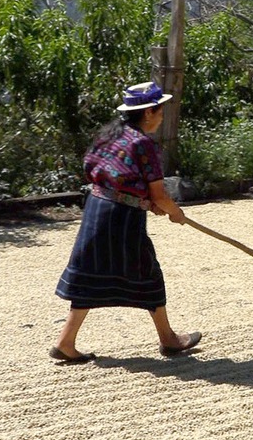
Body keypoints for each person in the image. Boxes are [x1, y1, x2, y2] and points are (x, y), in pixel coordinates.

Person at [49, 81, 202, 365]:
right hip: (121, 217)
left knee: (89, 273)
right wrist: (174, 212)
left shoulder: (109, 134)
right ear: (148, 113)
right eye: (159, 111)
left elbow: (101, 173)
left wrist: (146, 201)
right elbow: (159, 192)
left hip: (97, 208)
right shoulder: (143, 144)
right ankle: (168, 339)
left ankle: (65, 342)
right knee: (148, 272)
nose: (161, 117)